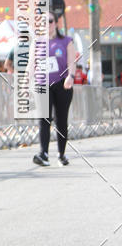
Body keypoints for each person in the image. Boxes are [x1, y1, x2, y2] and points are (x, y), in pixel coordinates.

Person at [33, 12, 75, 167]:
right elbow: (31, 64)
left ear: (56, 23)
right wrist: (25, 81)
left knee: (61, 120)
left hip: (62, 84)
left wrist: (71, 76)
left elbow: (72, 62)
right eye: (43, 21)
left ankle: (61, 154)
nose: (47, 24)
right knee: (44, 118)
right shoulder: (37, 42)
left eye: (50, 21)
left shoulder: (66, 41)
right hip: (42, 84)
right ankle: (43, 153)